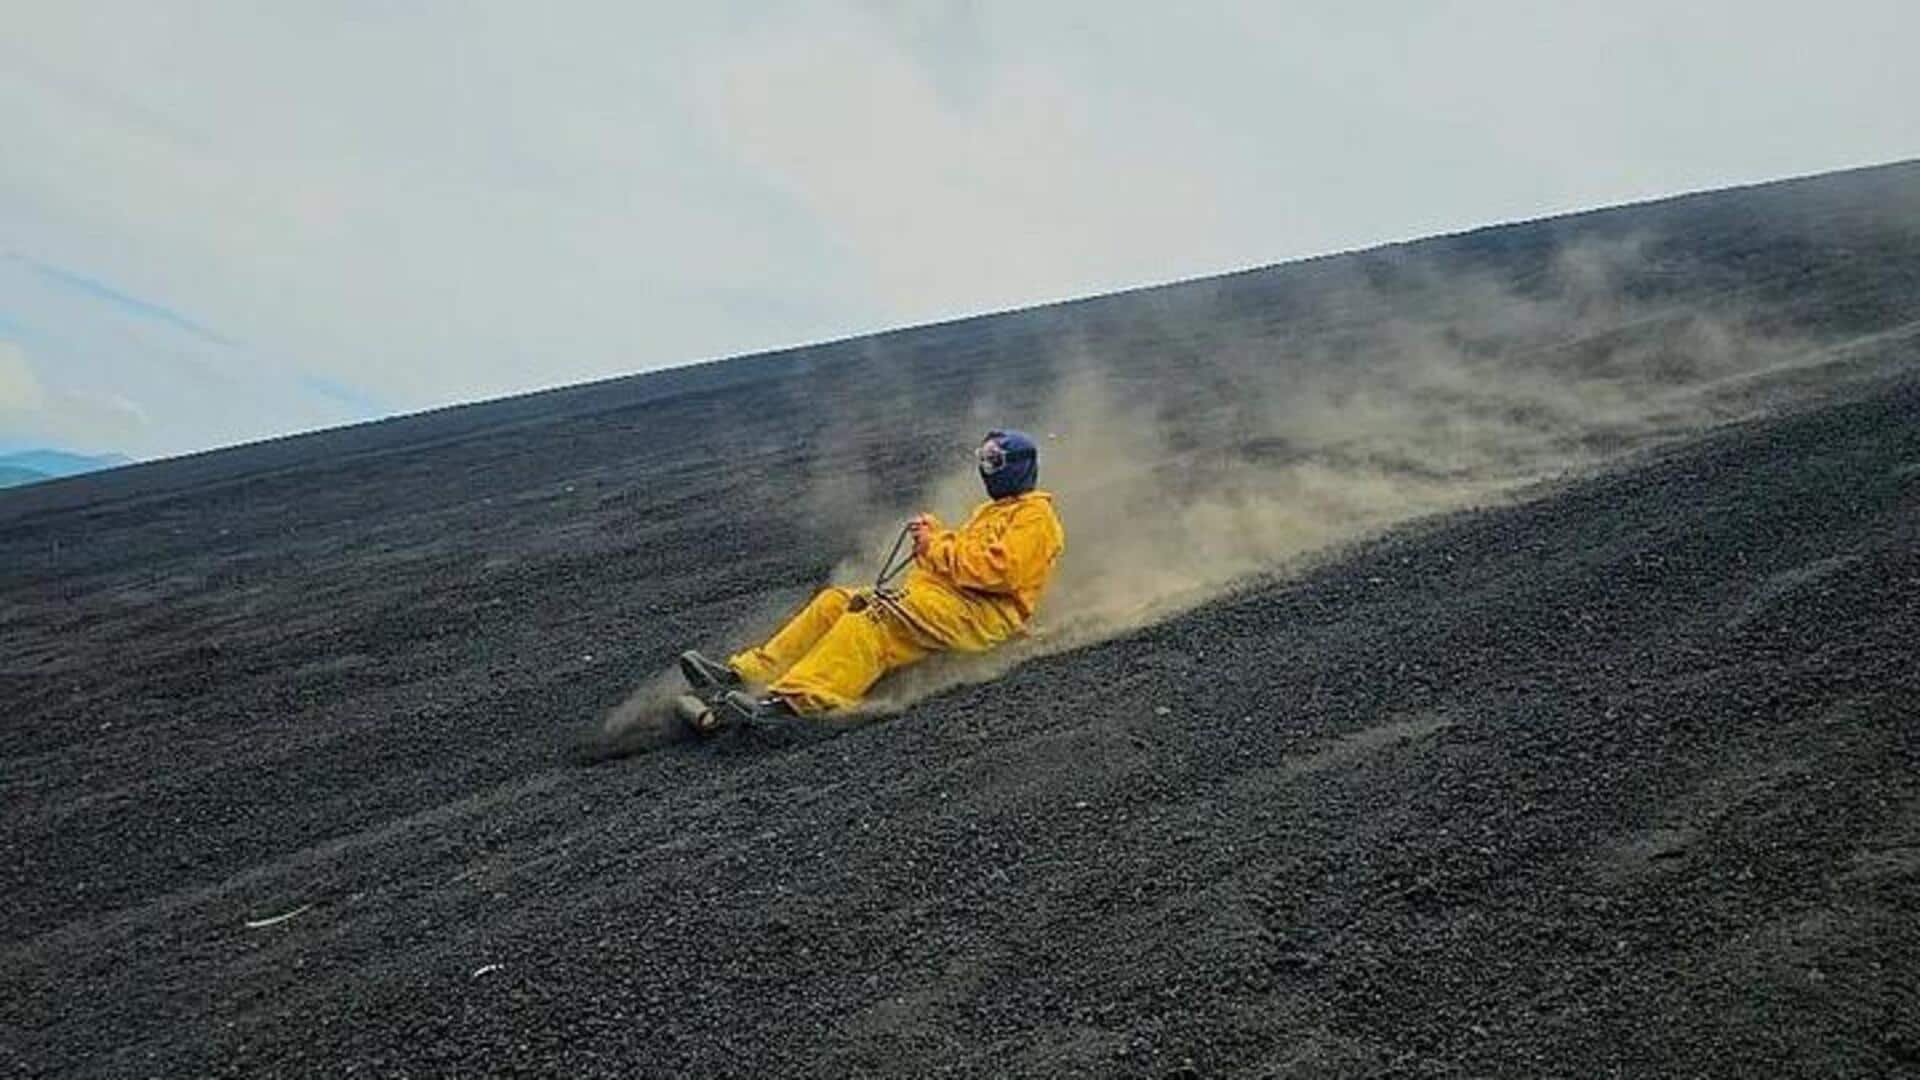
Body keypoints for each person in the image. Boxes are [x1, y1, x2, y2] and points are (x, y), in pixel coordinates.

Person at [678, 429, 1065, 732]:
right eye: (983, 459)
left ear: (1019, 465)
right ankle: (748, 674)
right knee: (836, 601)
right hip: (947, 601)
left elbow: (996, 573)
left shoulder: (1036, 519)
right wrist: (933, 536)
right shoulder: (993, 511)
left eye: (995, 461)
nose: (987, 469)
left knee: (874, 615)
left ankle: (802, 701)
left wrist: (934, 544)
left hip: (982, 616)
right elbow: (959, 554)